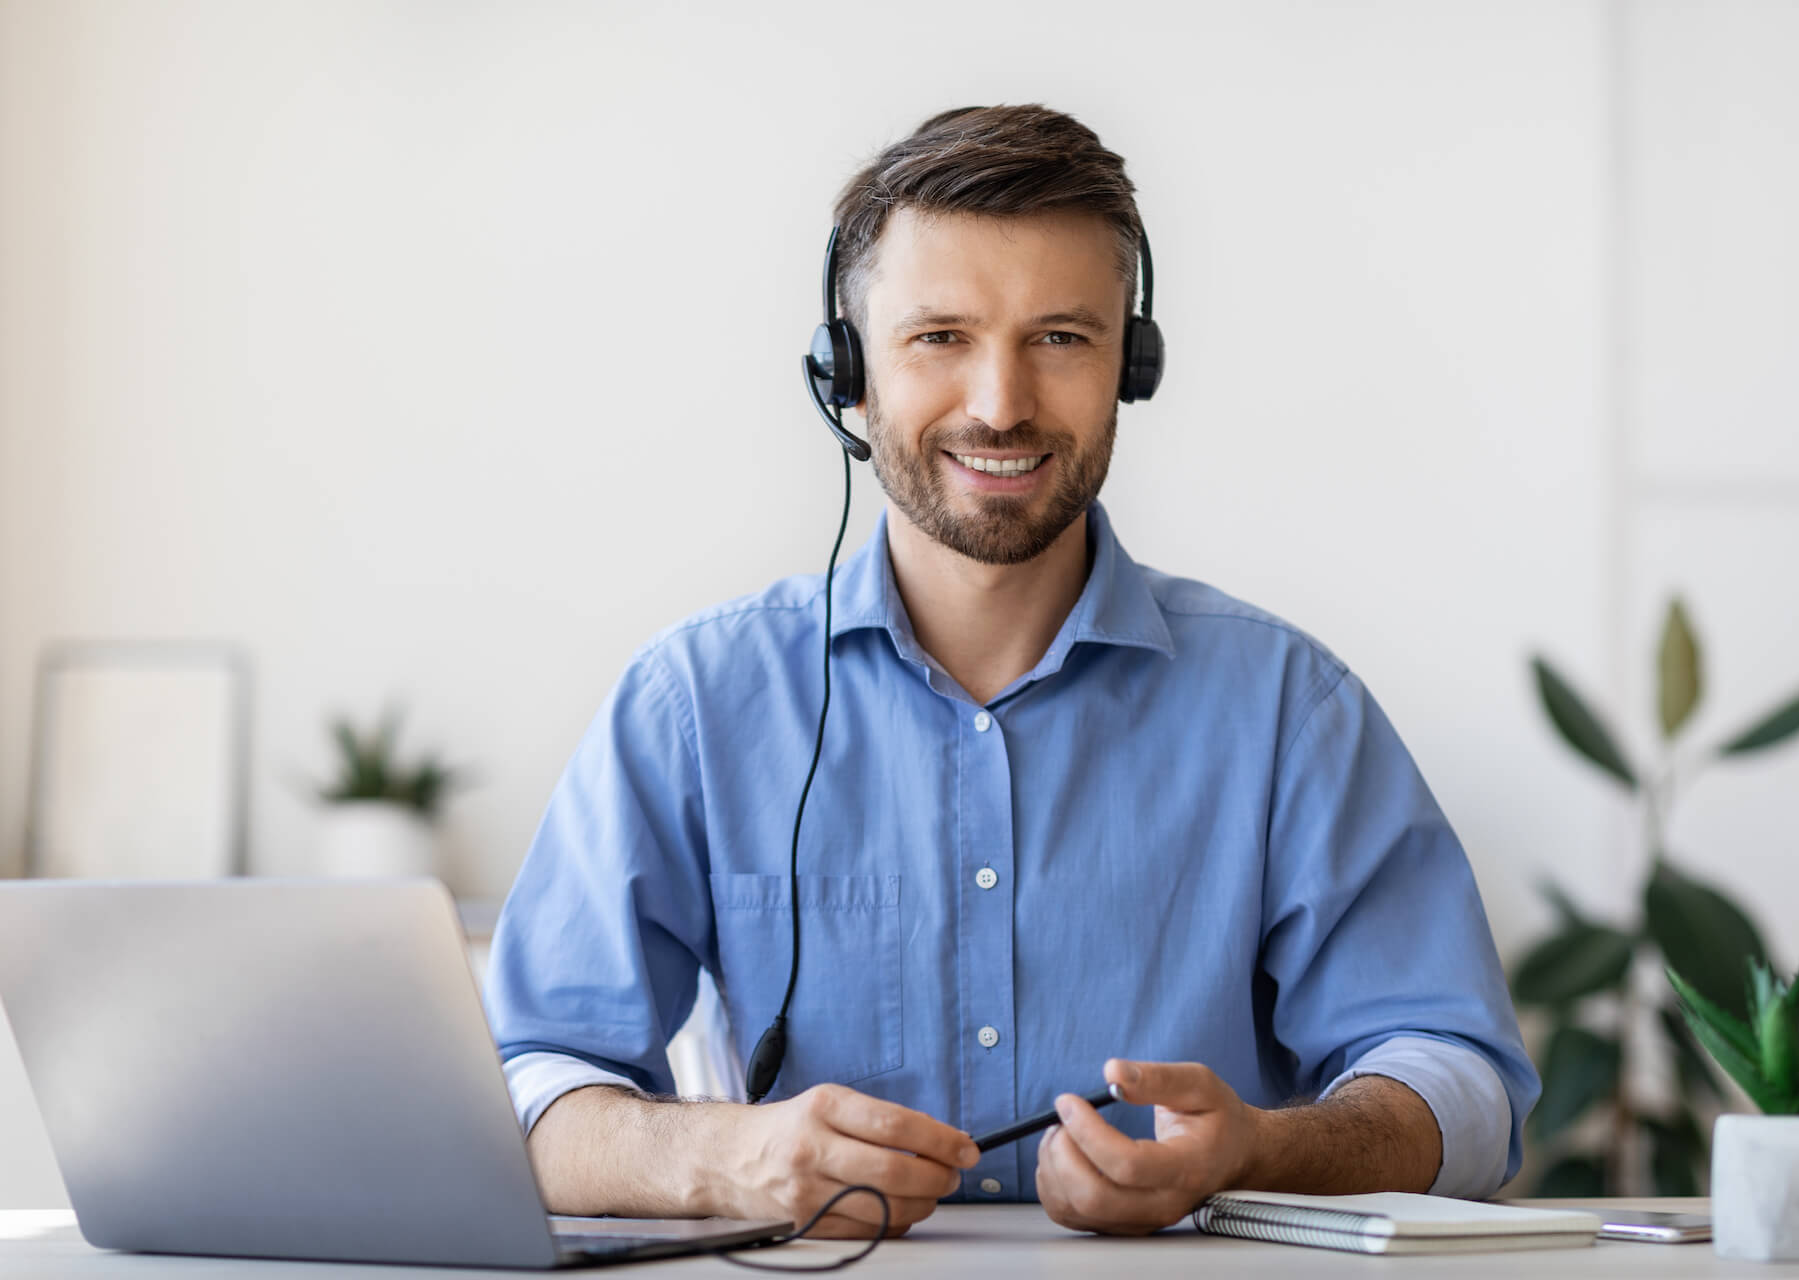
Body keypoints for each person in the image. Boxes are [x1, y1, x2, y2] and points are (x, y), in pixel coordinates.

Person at [483, 104, 1539, 1240]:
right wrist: (720, 1154)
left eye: (1060, 337)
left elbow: (1462, 1086)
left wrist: (1257, 1148)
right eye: (938, 336)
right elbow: (523, 1082)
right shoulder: (691, 703)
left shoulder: (1288, 707)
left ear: (1130, 366)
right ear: (844, 372)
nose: (999, 402)